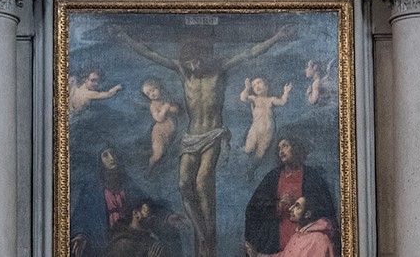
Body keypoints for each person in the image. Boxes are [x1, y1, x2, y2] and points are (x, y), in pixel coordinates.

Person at [112, 25, 294, 257]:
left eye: (196, 61)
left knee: (201, 182)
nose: (193, 66)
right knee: (183, 184)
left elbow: (249, 52)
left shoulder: (218, 69)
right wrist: (125, 37)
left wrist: (277, 37)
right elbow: (151, 54)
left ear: (204, 57)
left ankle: (208, 240)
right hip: (191, 136)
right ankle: (202, 232)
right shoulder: (183, 71)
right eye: (188, 62)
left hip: (213, 134)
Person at [71, 146, 185, 256]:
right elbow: (81, 216)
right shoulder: (92, 189)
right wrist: (80, 235)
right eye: (105, 155)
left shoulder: (127, 183)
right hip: (107, 241)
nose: (111, 158)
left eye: (113, 153)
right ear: (100, 161)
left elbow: (147, 204)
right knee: (123, 247)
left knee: (161, 246)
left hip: (129, 233)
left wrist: (166, 216)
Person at [245, 135, 337, 255]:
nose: (281, 151)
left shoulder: (312, 177)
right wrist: (277, 205)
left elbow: (324, 209)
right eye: (279, 148)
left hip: (306, 243)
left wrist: (298, 203)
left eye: (285, 146)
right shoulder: (272, 177)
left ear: (295, 147)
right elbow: (253, 209)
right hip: (276, 241)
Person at [244, 195, 335, 257]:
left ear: (307, 214)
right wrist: (258, 255)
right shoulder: (296, 236)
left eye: (297, 206)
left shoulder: (320, 240)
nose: (290, 209)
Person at [240, 77, 292, 161]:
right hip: (256, 129)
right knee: (249, 148)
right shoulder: (254, 99)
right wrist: (247, 88)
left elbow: (282, 102)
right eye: (254, 85)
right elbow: (243, 98)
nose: (257, 86)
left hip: (269, 130)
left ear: (266, 86)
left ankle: (254, 165)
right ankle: (244, 159)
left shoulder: (271, 99)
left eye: (259, 83)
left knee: (260, 153)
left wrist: (286, 92)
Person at [141, 78, 179, 169]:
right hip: (160, 133)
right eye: (148, 94)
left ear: (158, 87)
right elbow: (159, 118)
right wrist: (165, 109)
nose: (152, 94)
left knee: (168, 152)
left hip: (171, 132)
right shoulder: (153, 106)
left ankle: (161, 169)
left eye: (153, 90)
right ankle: (149, 167)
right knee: (157, 154)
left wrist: (170, 109)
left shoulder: (166, 99)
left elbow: (176, 110)